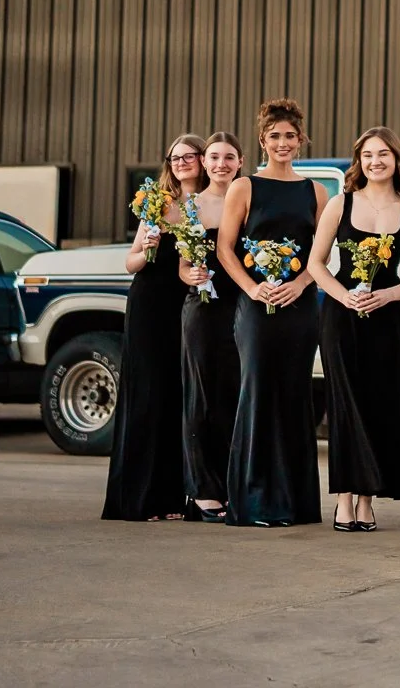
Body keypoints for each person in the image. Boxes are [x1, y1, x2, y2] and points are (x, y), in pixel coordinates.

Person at [217, 100, 328, 527]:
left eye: (290, 136)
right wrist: (252, 287)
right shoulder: (245, 187)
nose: (283, 143)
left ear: (301, 141)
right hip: (256, 306)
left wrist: (301, 284)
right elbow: (225, 248)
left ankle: (296, 504)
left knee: (294, 395)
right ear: (263, 141)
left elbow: (321, 253)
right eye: (274, 136)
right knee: (259, 391)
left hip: (299, 310)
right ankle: (255, 502)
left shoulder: (314, 191)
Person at [308, 127, 400, 532]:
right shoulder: (340, 204)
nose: (376, 161)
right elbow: (316, 264)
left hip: (389, 319)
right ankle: (343, 499)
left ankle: (367, 499)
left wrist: (390, 295)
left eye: (384, 154)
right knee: (345, 404)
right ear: (360, 161)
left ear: (396, 159)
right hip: (342, 319)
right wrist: (344, 297)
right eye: (368, 155)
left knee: (380, 405)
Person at [102, 134, 204, 522]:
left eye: (189, 156)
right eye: (175, 157)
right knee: (149, 394)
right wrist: (145, 246)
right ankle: (142, 498)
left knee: (183, 396)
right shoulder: (156, 203)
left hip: (191, 305)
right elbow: (130, 264)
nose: (181, 163)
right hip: (149, 305)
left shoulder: (215, 201)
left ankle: (180, 495)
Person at [180, 131, 243, 521]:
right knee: (202, 397)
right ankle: (203, 491)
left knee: (235, 396)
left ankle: (233, 485)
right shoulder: (192, 206)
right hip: (203, 309)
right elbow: (183, 267)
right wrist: (191, 275)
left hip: (243, 306)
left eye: (229, 158)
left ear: (240, 162)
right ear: (205, 163)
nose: (221, 164)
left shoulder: (248, 201)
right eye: (215, 157)